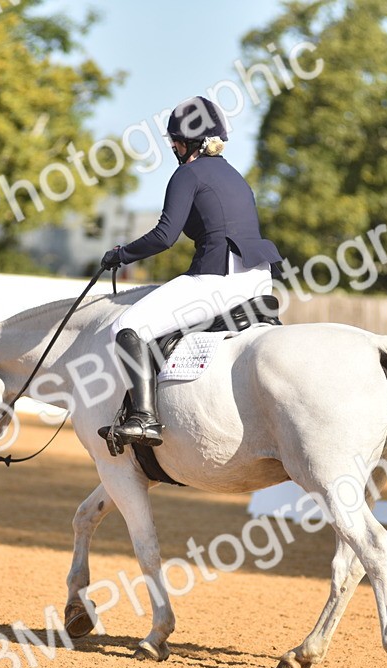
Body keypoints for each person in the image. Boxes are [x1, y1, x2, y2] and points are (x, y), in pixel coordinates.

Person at [99, 95, 282, 448]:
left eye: (175, 143)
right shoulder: (234, 175)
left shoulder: (187, 174)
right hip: (259, 278)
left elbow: (164, 236)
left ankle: (145, 418)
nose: (173, 148)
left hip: (218, 277)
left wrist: (121, 255)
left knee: (125, 327)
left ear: (187, 144)